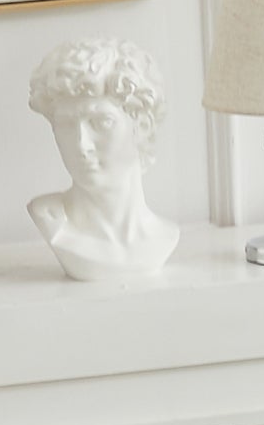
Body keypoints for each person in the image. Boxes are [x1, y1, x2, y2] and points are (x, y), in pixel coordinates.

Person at [26, 37, 180, 279]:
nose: (81, 144)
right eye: (65, 124)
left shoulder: (165, 236)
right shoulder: (51, 220)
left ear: (142, 126)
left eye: (101, 123)